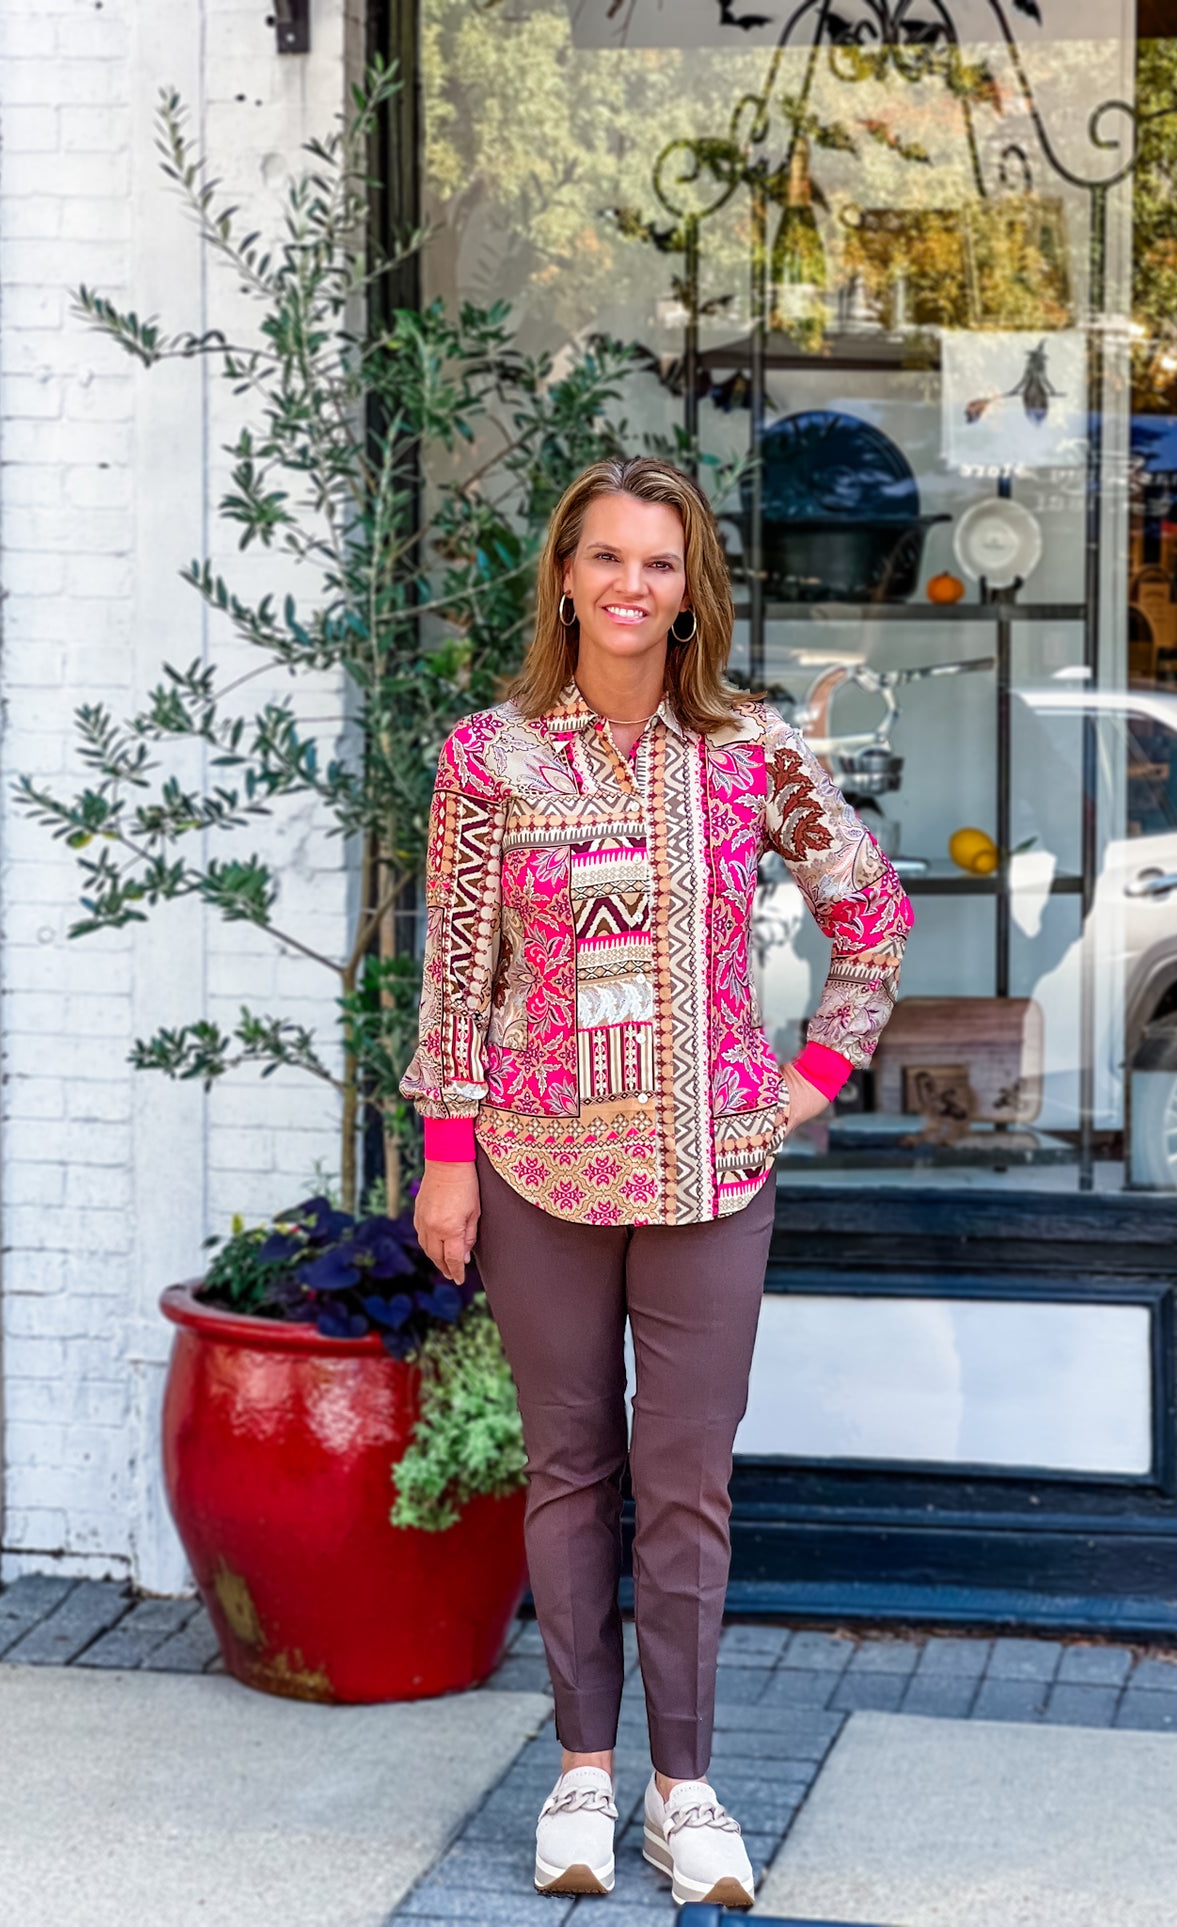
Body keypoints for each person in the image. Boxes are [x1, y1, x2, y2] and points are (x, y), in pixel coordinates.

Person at [403, 455, 912, 1911]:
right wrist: (448, 1159)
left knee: (685, 1485)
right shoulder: (486, 757)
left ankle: (682, 1792)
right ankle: (579, 1769)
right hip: (533, 1170)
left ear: (694, 591)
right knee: (566, 1472)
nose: (632, 585)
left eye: (661, 562)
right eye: (608, 557)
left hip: (708, 1171)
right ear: (564, 574)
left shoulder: (750, 749)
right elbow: (455, 974)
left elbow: (869, 927)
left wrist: (799, 1093)